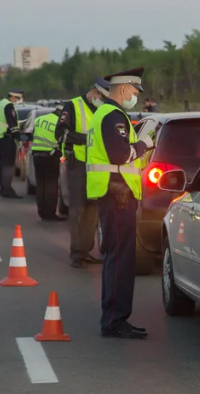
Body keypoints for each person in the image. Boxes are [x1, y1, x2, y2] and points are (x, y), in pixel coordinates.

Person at [86, 68, 154, 339]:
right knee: (121, 259)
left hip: (114, 195)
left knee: (117, 258)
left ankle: (114, 317)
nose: (135, 97)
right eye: (135, 92)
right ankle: (114, 320)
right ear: (124, 89)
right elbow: (120, 153)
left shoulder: (103, 114)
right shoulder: (114, 116)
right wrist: (144, 145)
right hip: (118, 196)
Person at [55, 77, 110, 268]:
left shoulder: (103, 110)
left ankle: (86, 250)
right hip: (77, 164)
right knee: (78, 209)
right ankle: (76, 253)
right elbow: (60, 133)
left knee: (93, 210)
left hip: (97, 166)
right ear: (94, 92)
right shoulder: (72, 106)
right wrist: (86, 139)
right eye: (101, 97)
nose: (102, 101)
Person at [32, 104, 66, 221]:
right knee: (51, 185)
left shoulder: (39, 119)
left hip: (36, 154)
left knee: (41, 184)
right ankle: (50, 213)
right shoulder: (60, 123)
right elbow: (62, 141)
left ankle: (41, 211)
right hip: (50, 155)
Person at [0, 90, 23, 198]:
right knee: (8, 165)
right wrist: (18, 136)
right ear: (13, 97)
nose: (17, 101)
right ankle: (7, 189)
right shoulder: (8, 105)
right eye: (17, 98)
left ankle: (4, 189)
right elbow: (12, 122)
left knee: (3, 164)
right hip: (6, 137)